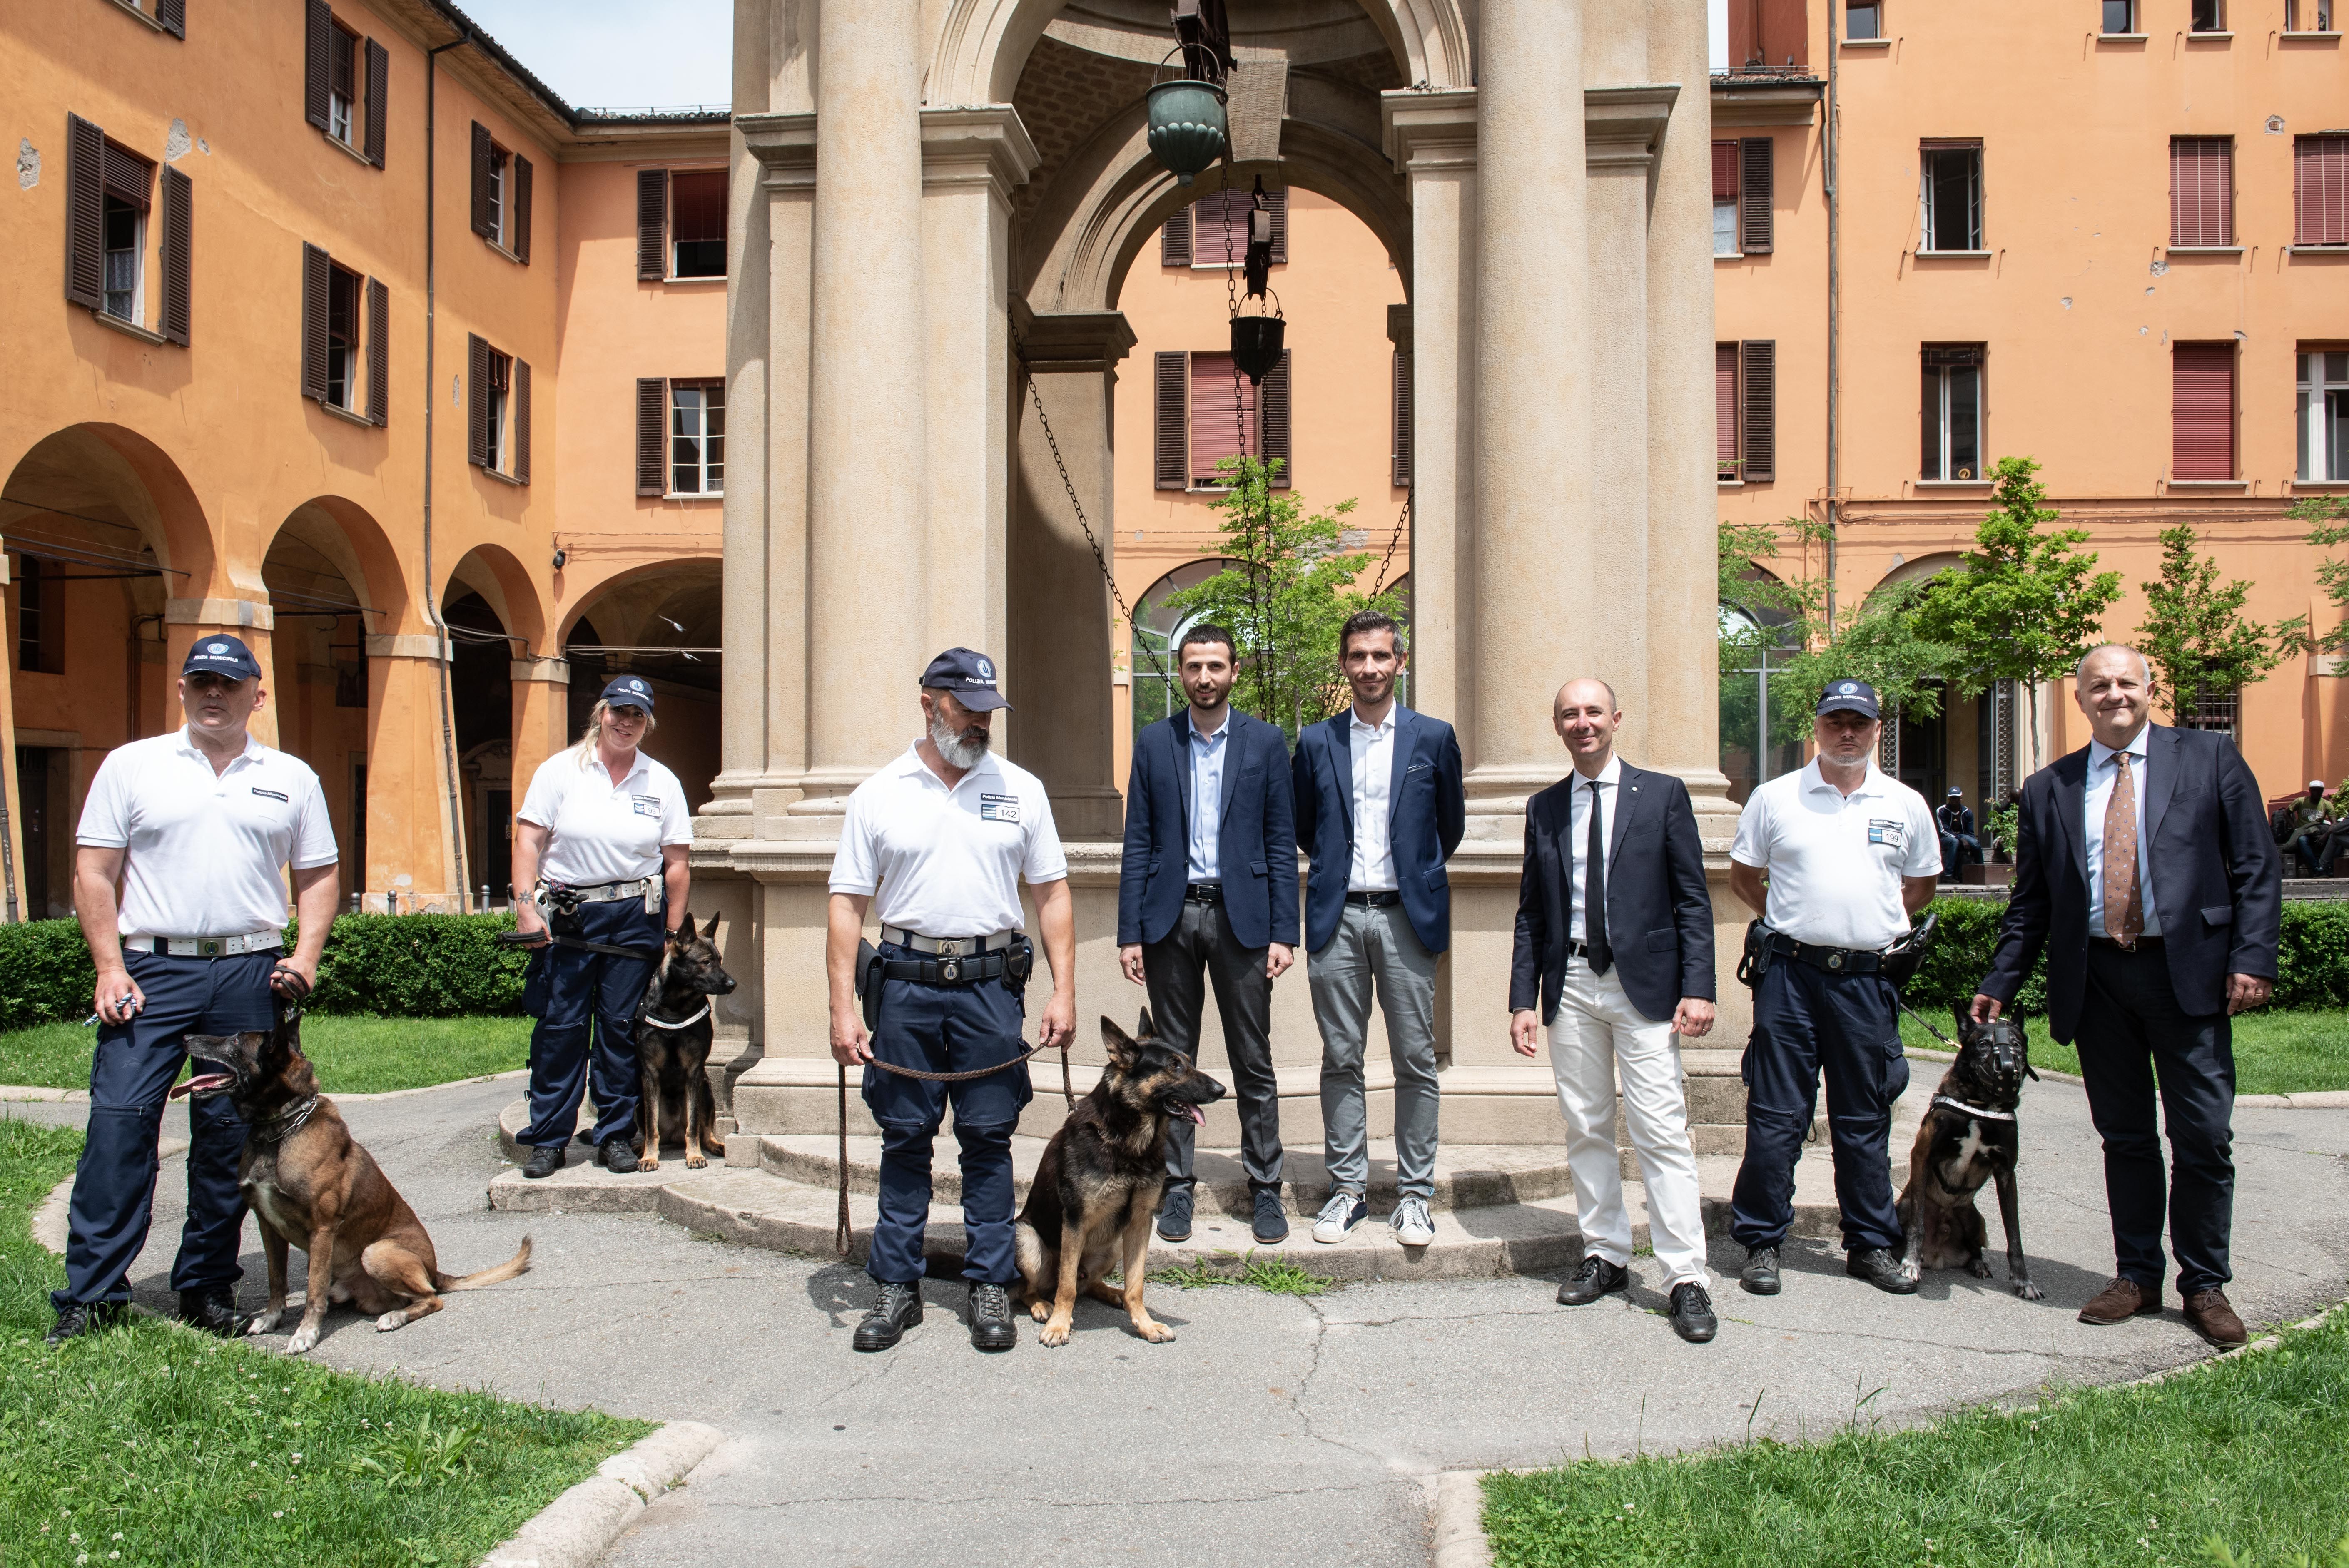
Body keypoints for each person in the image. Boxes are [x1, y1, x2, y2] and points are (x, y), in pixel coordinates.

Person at [1970, 645, 2281, 1347]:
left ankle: (2204, 1283)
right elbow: (2033, 903)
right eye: (2098, 686)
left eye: (2125, 683)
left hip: (2188, 974)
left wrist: (2253, 958)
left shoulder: (2209, 758)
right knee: (2126, 1137)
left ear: (2150, 689)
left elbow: (2257, 867)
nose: (2114, 695)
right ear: (2078, 700)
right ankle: (2136, 1274)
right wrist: (2000, 980)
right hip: (2099, 979)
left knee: (2202, 1134)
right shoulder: (2049, 786)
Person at [49, 635, 340, 1344]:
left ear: (256, 696)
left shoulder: (292, 777)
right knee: (119, 1127)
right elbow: (94, 871)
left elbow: (318, 875)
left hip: (249, 972)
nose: (215, 693)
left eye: (230, 683)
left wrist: (305, 954)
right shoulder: (133, 766)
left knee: (228, 1142)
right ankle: (92, 1294)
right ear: (181, 689)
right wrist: (109, 966)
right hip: (151, 972)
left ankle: (205, 1288)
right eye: (202, 681)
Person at [827, 648, 1077, 1353]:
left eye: (986, 711)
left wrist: (1064, 989)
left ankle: (990, 1285)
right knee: (904, 1139)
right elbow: (847, 904)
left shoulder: (1020, 789)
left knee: (988, 1141)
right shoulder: (878, 793)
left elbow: (1051, 893)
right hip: (903, 990)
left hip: (989, 989)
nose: (979, 723)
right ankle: (897, 1287)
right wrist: (843, 1010)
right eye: (965, 708)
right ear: (929, 703)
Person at [1508, 679, 1720, 1343]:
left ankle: (1686, 1276)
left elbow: (1693, 898)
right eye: (1569, 714)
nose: (1582, 723)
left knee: (1660, 1129)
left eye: (1592, 711)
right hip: (1569, 980)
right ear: (1557, 726)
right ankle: (1605, 1254)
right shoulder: (1543, 807)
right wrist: (1522, 998)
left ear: (1616, 719)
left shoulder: (1661, 794)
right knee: (1587, 1126)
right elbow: (1530, 912)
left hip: (1647, 987)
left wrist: (1700, 985)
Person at [1726, 679, 1941, 1298]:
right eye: (1834, 721)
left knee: (1864, 1115)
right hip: (1789, 978)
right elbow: (1745, 877)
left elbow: (1919, 888)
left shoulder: (1903, 803)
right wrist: (1798, 925)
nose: (1846, 732)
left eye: (1859, 722)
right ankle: (1762, 1240)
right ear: (1815, 727)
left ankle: (1869, 1243)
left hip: (1866, 983)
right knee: (1774, 1115)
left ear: (1877, 728)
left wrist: (1858, 931)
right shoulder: (1775, 798)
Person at [1117, 623, 1298, 1247]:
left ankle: (1266, 1187)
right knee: (1171, 1063)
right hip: (1169, 921)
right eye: (1193, 666)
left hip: (1242, 920)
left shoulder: (1267, 742)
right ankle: (1178, 1190)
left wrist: (1284, 931)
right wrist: (1129, 932)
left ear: (1234, 670)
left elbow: (1280, 842)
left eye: (1215, 665)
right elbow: (1137, 839)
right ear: (1180, 670)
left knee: (1253, 1058)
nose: (1204, 677)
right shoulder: (1153, 742)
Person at [1291, 610, 1465, 1248]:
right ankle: (1347, 1190)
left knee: (1415, 1060)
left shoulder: (1433, 738)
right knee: (1341, 1057)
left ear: (1400, 661)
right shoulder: (1316, 742)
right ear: (1345, 664)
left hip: (1406, 917)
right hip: (1337, 917)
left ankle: (1416, 1194)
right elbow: (1304, 827)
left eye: (1381, 656)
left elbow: (1450, 826)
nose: (1369, 667)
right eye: (1358, 656)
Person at [509, 674, 693, 1178]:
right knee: (561, 1029)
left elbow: (676, 863)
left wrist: (673, 935)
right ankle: (549, 1139)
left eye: (636, 715)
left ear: (647, 723)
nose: (625, 722)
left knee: (619, 1031)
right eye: (618, 712)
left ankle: (615, 1135)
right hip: (568, 915)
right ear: (600, 712)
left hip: (634, 917)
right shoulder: (560, 771)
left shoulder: (662, 782)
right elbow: (527, 841)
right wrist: (526, 908)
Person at [2286, 779, 2341, 877]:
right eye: (2315, 790)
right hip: (2304, 833)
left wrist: (2325, 836)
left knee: (2337, 840)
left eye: (2320, 791)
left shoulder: (2326, 804)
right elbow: (2286, 813)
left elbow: (2334, 823)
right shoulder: (2301, 801)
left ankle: (2328, 867)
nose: (2317, 793)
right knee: (2302, 840)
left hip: (2318, 832)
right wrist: (2295, 827)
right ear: (2310, 790)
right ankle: (2316, 868)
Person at [1937, 787, 1982, 880]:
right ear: (1949, 799)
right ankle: (1948, 875)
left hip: (1962, 836)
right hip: (1945, 838)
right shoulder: (1942, 811)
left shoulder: (1967, 812)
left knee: (1975, 843)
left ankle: (1981, 869)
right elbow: (1944, 831)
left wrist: (1969, 843)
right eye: (1952, 798)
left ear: (1961, 798)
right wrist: (1961, 840)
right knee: (1954, 842)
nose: (1954, 800)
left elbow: (1970, 833)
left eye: (1956, 798)